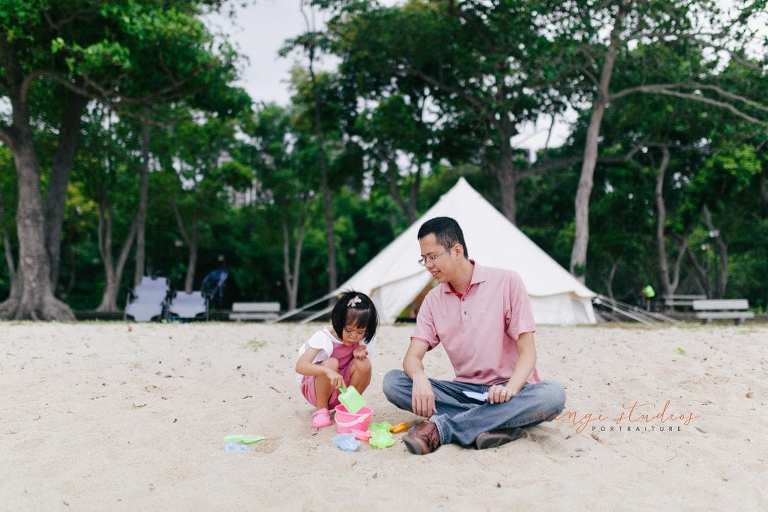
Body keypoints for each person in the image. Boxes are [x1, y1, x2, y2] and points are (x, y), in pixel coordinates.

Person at [383, 216, 566, 454]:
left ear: (457, 250)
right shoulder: (432, 301)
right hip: (463, 392)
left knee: (553, 395)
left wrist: (509, 390)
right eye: (424, 258)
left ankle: (445, 428)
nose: (428, 264)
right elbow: (412, 357)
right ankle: (496, 425)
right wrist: (418, 377)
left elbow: (528, 353)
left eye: (433, 256)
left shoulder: (507, 282)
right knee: (393, 382)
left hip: (510, 391)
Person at [295, 291, 378, 429]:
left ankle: (348, 407)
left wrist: (361, 353)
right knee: (332, 363)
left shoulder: (363, 339)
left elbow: (362, 368)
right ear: (339, 323)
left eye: (360, 332)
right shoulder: (325, 337)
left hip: (342, 388)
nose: (354, 336)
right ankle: (321, 410)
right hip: (317, 388)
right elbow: (300, 366)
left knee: (364, 364)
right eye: (349, 331)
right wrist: (327, 371)